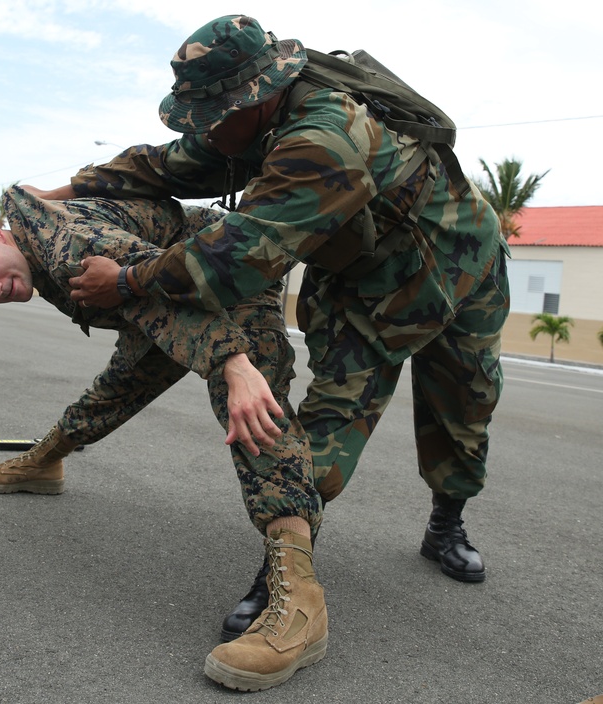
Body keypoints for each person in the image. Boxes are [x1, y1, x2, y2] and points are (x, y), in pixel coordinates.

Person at [45, 13, 508, 635]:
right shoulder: (247, 122)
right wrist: (68, 188)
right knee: (324, 427)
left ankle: (446, 522)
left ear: (256, 96)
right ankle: (283, 569)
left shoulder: (324, 140)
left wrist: (126, 280)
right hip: (365, 290)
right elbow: (168, 164)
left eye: (211, 113)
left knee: (466, 405)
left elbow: (231, 261)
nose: (203, 127)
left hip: (460, 264)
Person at [0, 185, 327, 692]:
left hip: (224, 267)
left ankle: (302, 603)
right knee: (119, 386)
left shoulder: (69, 245)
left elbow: (175, 280)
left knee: (251, 409)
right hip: (156, 297)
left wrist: (233, 364)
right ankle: (44, 462)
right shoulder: (28, 252)